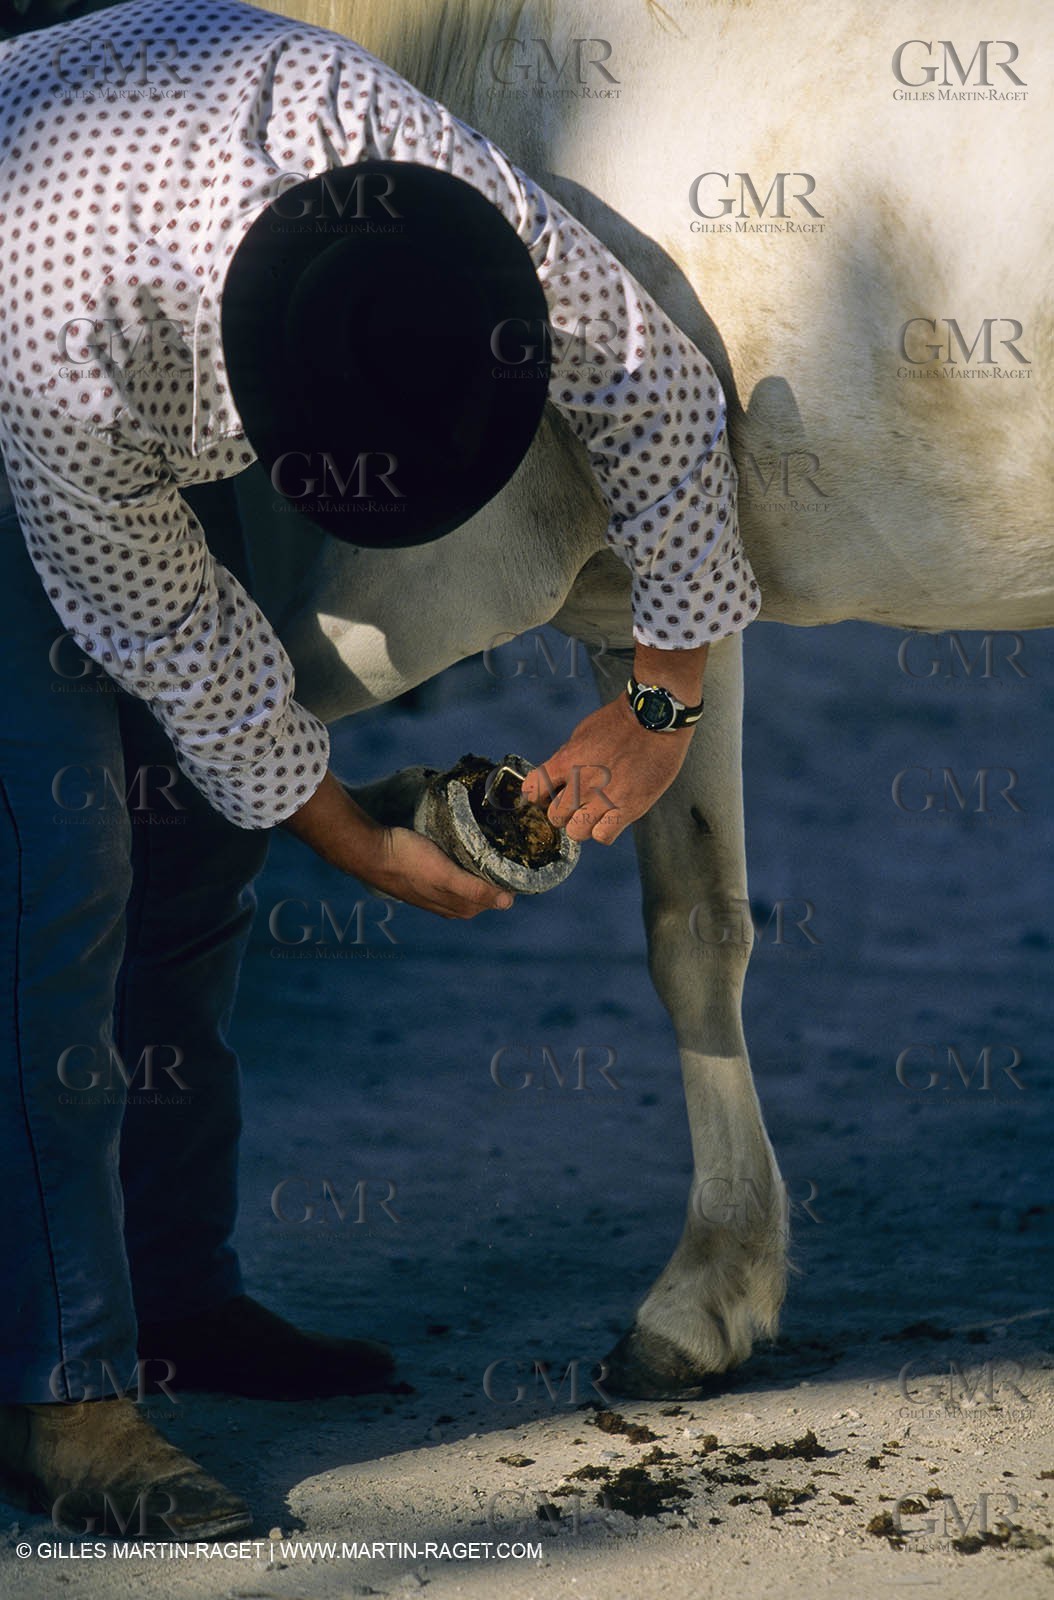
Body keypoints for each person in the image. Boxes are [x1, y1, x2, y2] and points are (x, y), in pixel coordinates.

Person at [0, 0, 761, 1536]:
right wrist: (353, 837)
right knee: (56, 884)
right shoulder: (70, 353)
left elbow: (650, 380)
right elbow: (175, 639)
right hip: (25, 378)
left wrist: (661, 697)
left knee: (196, 843)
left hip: (170, 271)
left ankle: (178, 1293)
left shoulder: (406, 173)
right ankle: (60, 1395)